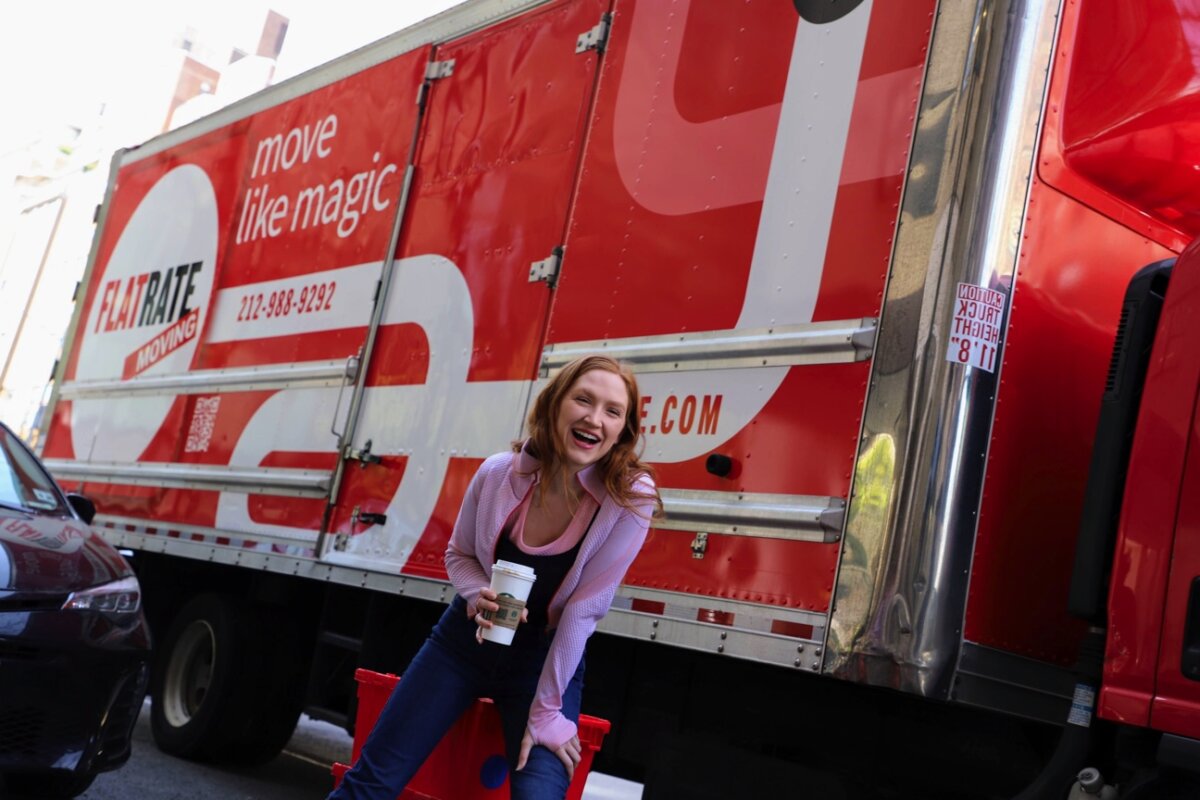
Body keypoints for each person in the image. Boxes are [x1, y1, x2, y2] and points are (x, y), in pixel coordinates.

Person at [330, 355, 661, 800]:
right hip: (461, 644)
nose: (594, 419)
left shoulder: (630, 500)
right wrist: (474, 593)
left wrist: (545, 712)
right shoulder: (497, 473)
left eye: (612, 411)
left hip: (544, 663)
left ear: (624, 429)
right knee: (370, 782)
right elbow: (460, 554)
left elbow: (584, 610)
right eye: (583, 399)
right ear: (555, 403)